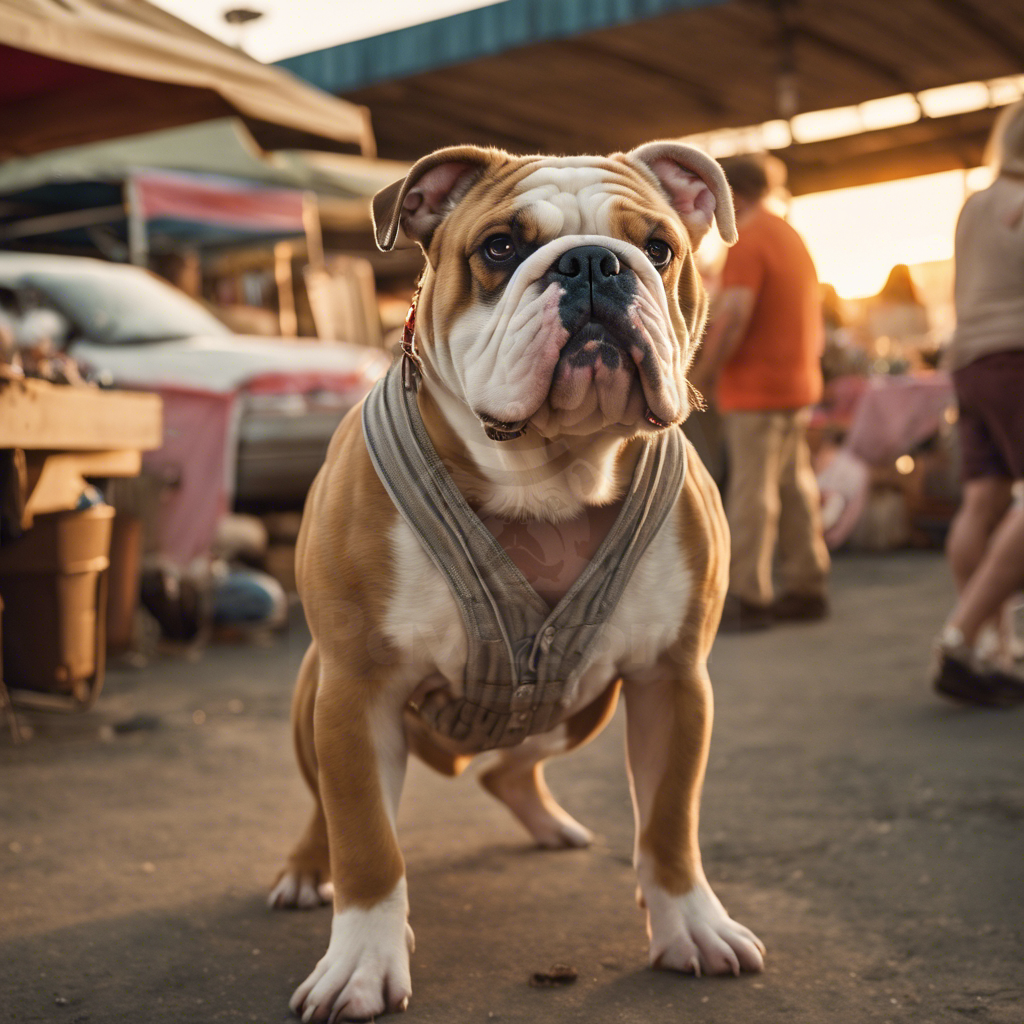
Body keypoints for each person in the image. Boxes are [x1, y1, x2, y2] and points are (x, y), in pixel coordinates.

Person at [691, 154, 829, 631]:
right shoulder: (788, 234)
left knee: (751, 493)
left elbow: (733, 315)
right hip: (796, 383)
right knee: (794, 487)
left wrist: (703, 375)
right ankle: (807, 585)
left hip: (756, 387)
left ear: (735, 197)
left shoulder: (748, 239)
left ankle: (749, 597)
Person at [933, 101, 1024, 707]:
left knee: (984, 497)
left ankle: (997, 646)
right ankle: (963, 637)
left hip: (969, 359)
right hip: (1019, 354)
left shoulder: (976, 202)